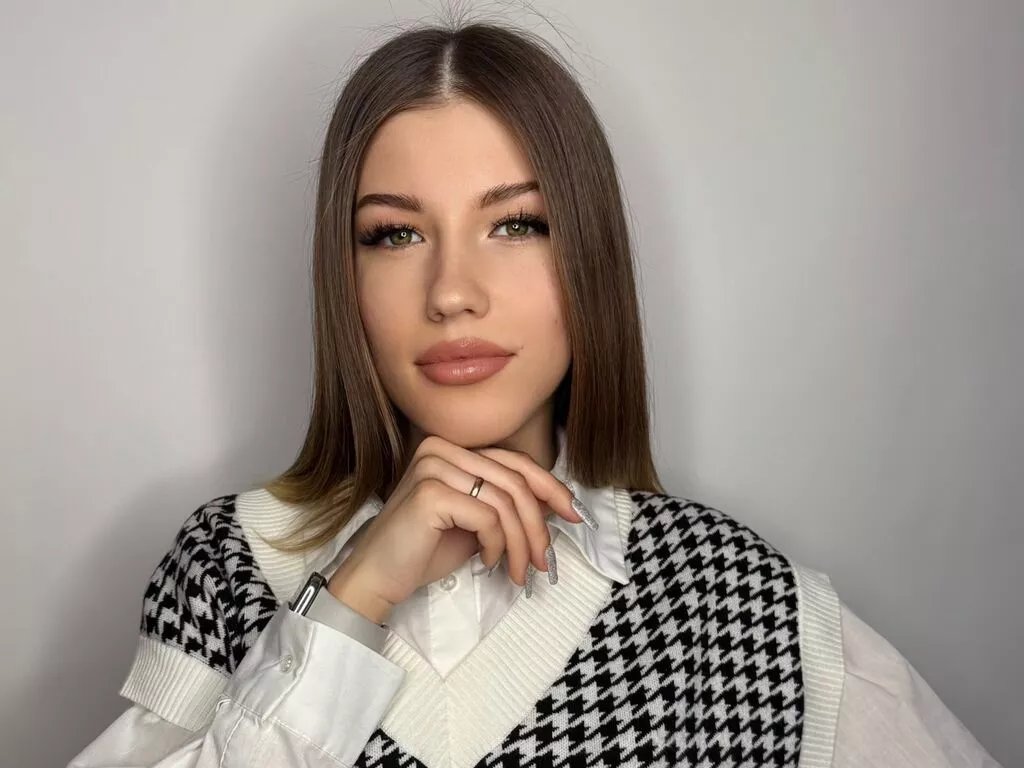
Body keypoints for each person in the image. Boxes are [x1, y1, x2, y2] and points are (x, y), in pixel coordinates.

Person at [69, 18, 1002, 768]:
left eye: (516, 225)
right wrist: (353, 599)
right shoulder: (234, 562)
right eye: (395, 234)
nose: (452, 292)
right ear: (342, 277)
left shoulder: (730, 600)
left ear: (588, 254)